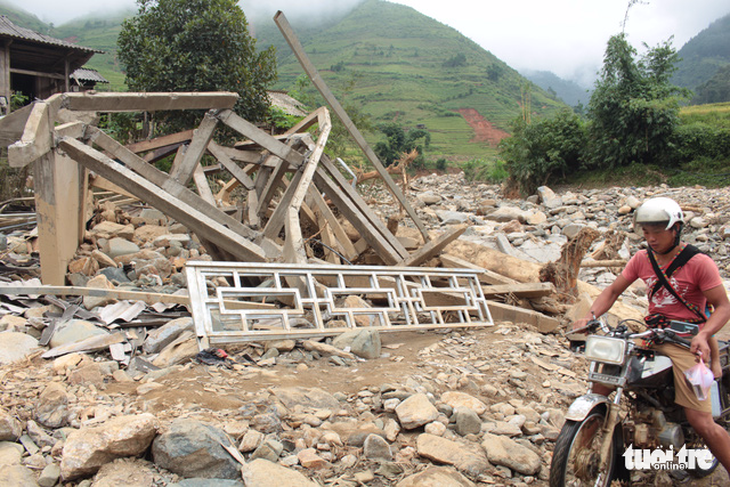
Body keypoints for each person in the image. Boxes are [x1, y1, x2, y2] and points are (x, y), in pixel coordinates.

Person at [572, 196, 730, 472]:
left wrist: (704, 336)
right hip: (651, 335)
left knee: (701, 422)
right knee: (602, 384)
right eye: (646, 232)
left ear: (676, 229)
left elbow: (723, 307)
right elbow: (611, 291)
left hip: (685, 341)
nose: (651, 238)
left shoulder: (699, 263)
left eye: (657, 232)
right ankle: (578, 453)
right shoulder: (642, 259)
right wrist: (590, 316)